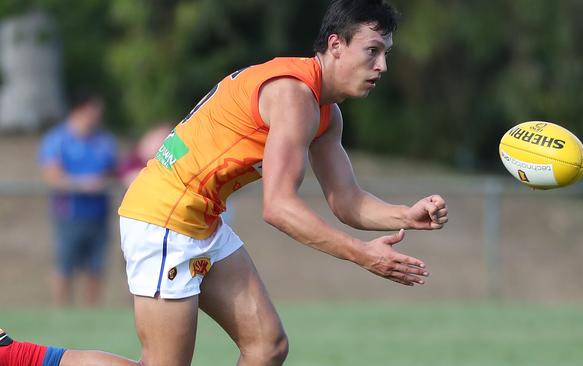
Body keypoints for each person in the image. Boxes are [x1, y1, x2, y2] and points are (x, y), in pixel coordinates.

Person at [0, 1, 448, 365]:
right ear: (335, 45)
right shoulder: (294, 96)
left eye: (386, 51)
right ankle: (16, 357)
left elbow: (346, 198)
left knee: (267, 346)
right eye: (372, 50)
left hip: (201, 220)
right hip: (164, 217)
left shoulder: (324, 113)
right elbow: (278, 207)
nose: (383, 65)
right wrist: (361, 255)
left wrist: (404, 214)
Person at [37, 90, 117, 307]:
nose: (98, 115)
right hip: (69, 214)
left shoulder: (104, 141)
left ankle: (91, 313)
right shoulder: (57, 139)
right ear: (79, 110)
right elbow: (52, 176)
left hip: (99, 215)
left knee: (96, 267)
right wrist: (82, 184)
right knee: (64, 265)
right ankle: (62, 311)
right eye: (94, 109)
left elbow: (113, 172)